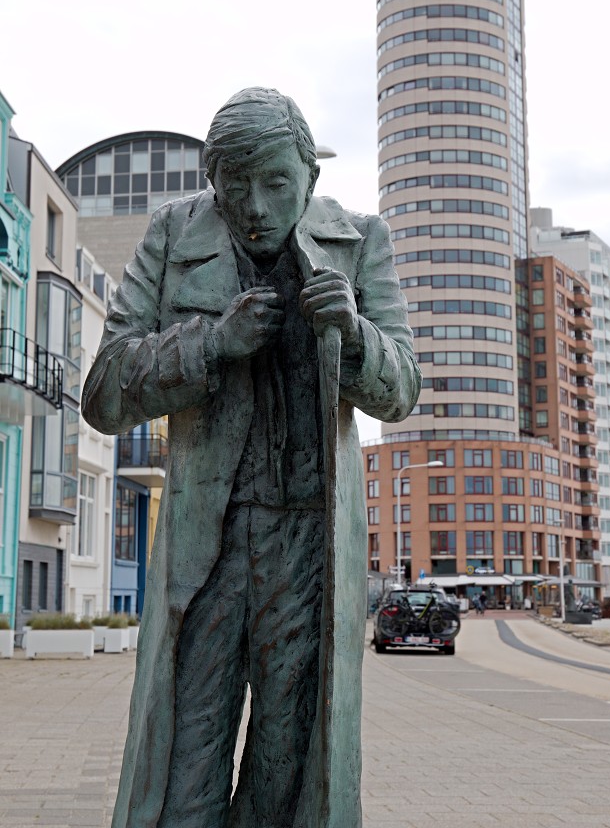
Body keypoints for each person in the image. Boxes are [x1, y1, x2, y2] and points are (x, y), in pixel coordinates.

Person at [82, 87, 421, 828]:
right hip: (208, 540)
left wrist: (356, 338)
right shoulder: (172, 235)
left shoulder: (360, 241)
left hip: (306, 542)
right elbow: (104, 392)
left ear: (310, 174)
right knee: (187, 756)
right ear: (213, 181)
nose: (256, 207)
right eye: (235, 186)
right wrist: (211, 342)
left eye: (276, 183)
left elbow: (402, 391)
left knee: (287, 758)